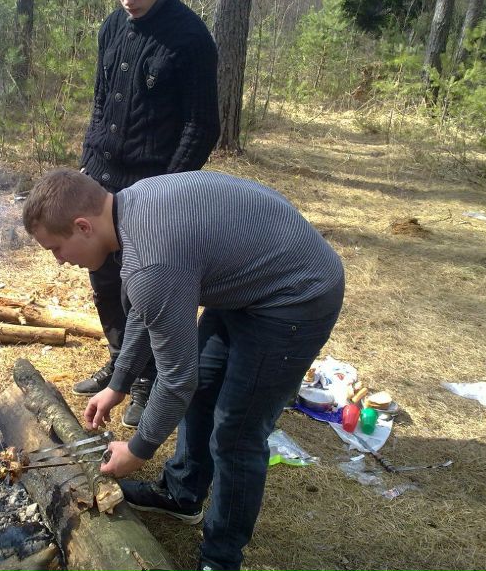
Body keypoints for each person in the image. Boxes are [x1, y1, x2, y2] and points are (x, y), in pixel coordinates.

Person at [23, 169, 344, 571]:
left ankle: (220, 559)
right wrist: (119, 384)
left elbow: (176, 377)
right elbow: (149, 308)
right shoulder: (130, 207)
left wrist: (139, 450)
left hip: (296, 295)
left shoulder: (151, 259)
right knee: (204, 392)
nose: (59, 261)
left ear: (82, 226)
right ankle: (183, 494)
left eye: (56, 248)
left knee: (236, 433)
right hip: (247, 284)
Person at [74, 0, 220, 429]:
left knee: (146, 291)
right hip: (102, 180)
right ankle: (120, 365)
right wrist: (87, 165)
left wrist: (163, 193)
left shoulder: (191, 38)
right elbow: (100, 104)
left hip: (152, 188)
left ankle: (147, 381)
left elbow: (202, 126)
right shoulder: (112, 27)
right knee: (103, 280)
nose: (128, 0)